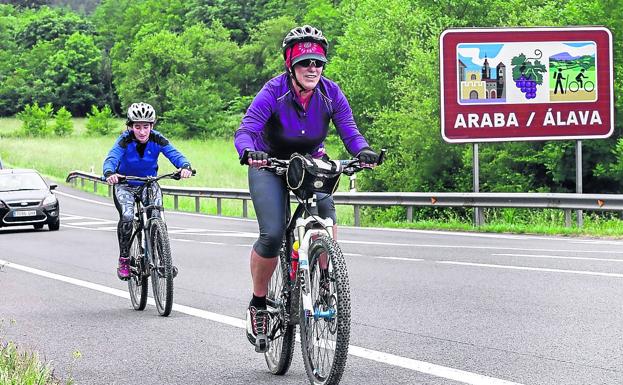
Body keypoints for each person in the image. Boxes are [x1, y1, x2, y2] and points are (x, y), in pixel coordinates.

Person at [234, 25, 379, 352]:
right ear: (291, 66)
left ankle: (326, 280)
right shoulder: (273, 91)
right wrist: (249, 152)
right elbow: (247, 129)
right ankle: (258, 304)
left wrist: (363, 151)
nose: (313, 69)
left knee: (325, 214)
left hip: (309, 162)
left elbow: (350, 132)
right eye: (305, 64)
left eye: (318, 63)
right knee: (272, 234)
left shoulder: (331, 93)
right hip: (268, 163)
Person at [103, 102, 193, 280]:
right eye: (137, 127)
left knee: (157, 216)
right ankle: (124, 259)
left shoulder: (157, 138)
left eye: (146, 126)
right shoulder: (124, 140)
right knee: (128, 217)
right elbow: (112, 157)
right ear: (130, 127)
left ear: (152, 126)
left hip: (149, 184)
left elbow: (174, 153)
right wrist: (110, 172)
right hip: (125, 184)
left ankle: (162, 261)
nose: (142, 131)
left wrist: (184, 166)